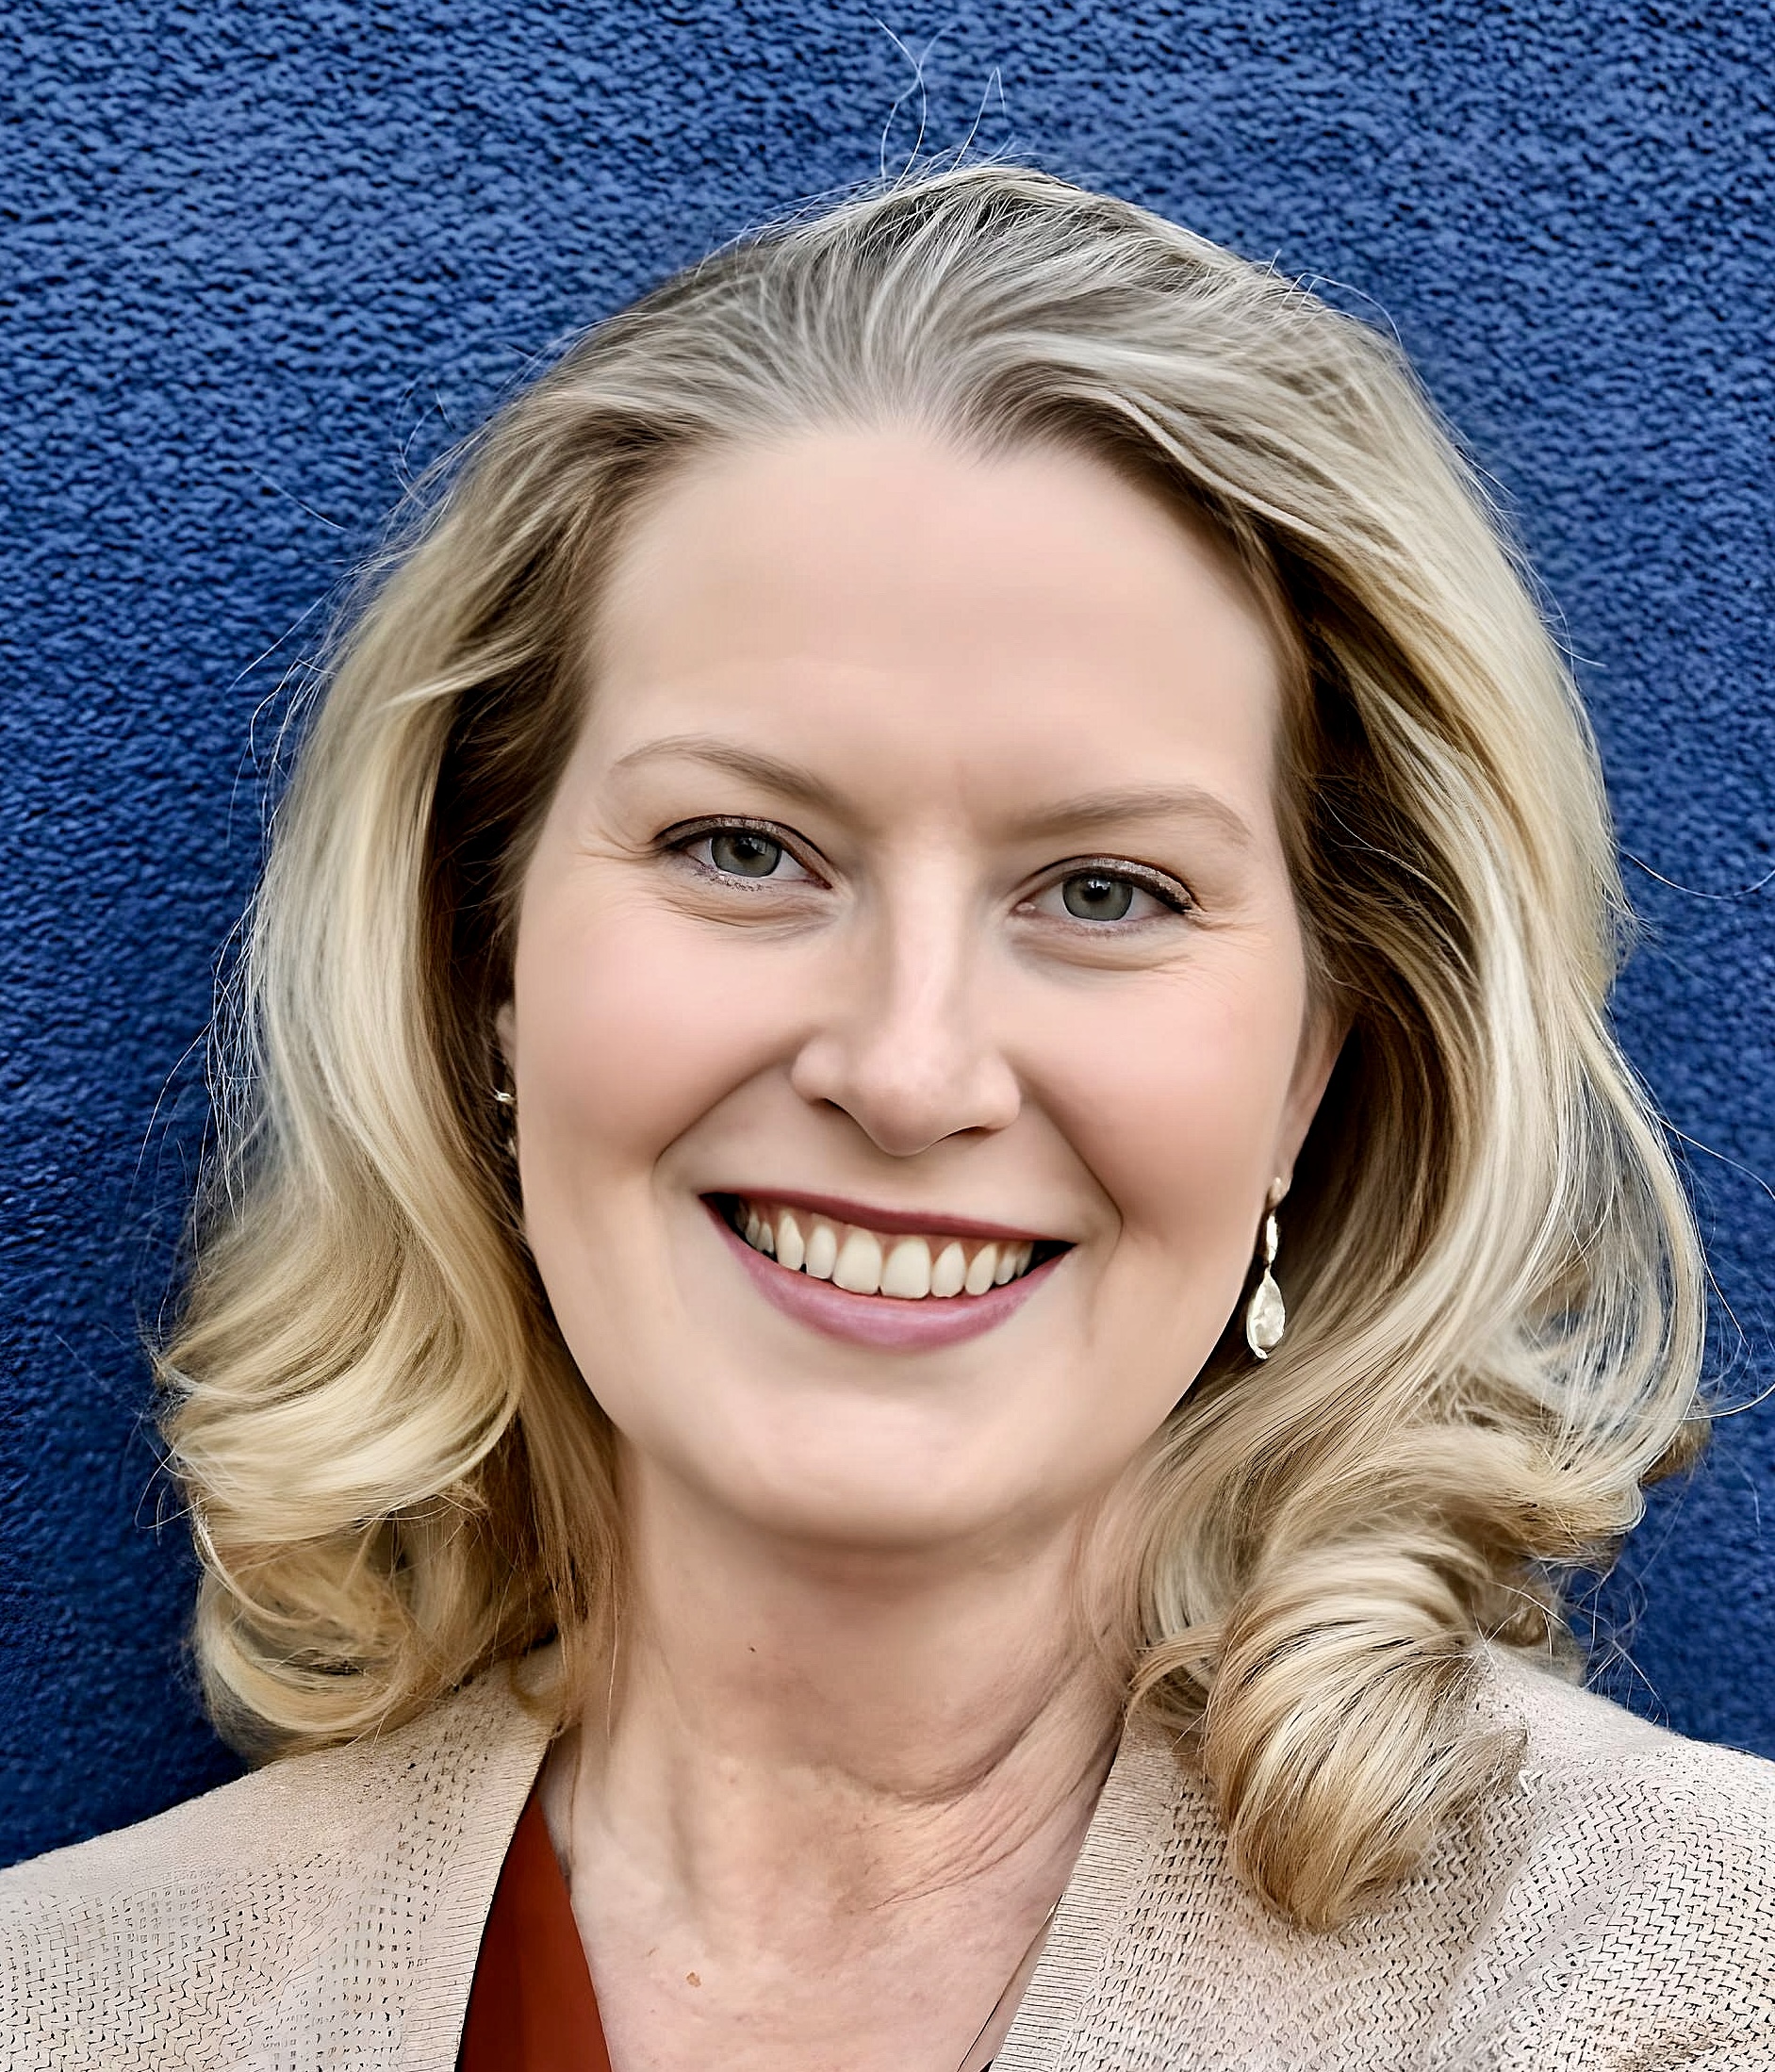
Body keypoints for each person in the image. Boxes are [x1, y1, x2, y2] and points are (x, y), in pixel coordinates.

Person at [3, 163, 1772, 2070]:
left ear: (1316, 1067)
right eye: (744, 848)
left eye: (1105, 891)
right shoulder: (75, 2007)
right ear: (482, 961)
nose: (911, 1068)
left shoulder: (1682, 1980)